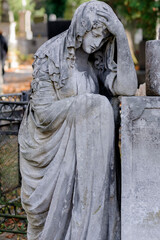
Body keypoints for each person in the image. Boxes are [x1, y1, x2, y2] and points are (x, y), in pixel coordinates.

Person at [18, 1, 137, 239]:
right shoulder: (51, 55)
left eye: (104, 37)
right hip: (52, 149)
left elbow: (128, 87)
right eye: (95, 34)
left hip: (90, 155)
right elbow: (42, 114)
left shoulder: (97, 57)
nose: (97, 41)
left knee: (100, 104)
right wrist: (86, 105)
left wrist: (120, 36)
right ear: (81, 27)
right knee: (97, 104)